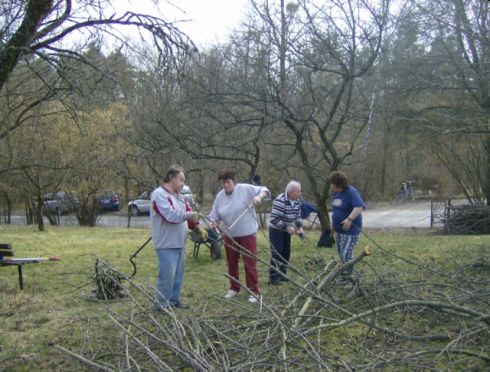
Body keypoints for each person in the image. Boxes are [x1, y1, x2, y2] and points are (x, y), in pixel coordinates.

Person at [208, 170, 270, 304]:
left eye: (228, 182)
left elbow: (264, 190)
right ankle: (234, 288)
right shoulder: (220, 196)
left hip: (247, 234)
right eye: (223, 183)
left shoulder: (245, 189)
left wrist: (259, 197)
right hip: (230, 235)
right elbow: (214, 215)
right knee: (231, 263)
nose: (225, 185)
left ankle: (254, 291)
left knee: (250, 263)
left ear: (233, 182)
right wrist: (213, 222)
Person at [150, 165, 200, 310]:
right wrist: (189, 215)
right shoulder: (159, 194)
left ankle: (173, 301)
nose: (183, 183)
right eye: (181, 180)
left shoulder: (179, 197)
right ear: (172, 178)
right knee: (166, 278)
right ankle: (160, 306)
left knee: (177, 277)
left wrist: (197, 226)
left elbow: (190, 214)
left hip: (180, 243)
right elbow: (169, 216)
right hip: (166, 244)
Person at [328, 171, 366, 284]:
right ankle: (345, 276)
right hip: (339, 230)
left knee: (346, 254)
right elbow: (336, 209)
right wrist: (333, 227)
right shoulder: (336, 193)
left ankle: (350, 278)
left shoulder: (352, 192)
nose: (331, 186)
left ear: (337, 184)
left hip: (351, 230)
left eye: (332, 183)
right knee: (341, 253)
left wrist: (349, 219)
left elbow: (359, 207)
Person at [268, 181, 304, 285]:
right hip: (276, 230)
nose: (300, 193)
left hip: (287, 229)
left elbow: (298, 215)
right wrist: (286, 228)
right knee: (277, 253)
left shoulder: (297, 201)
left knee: (286, 252)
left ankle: (282, 274)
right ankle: (273, 277)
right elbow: (274, 219)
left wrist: (299, 226)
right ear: (291, 192)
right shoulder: (280, 200)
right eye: (298, 191)